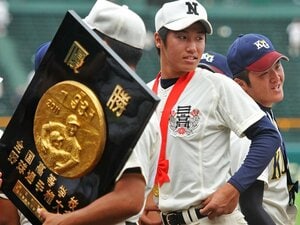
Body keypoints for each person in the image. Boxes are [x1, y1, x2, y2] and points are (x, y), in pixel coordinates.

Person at [0, 1, 161, 225]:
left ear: (102, 44)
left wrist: (66, 221)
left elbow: (130, 199)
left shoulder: (128, 111)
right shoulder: (96, 100)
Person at [141, 1, 282, 225]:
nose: (193, 47)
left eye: (199, 37)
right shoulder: (146, 93)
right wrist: (147, 199)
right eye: (182, 37)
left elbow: (268, 135)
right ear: (158, 39)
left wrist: (234, 187)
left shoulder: (217, 85)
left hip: (211, 219)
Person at [227, 33, 298, 225]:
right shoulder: (246, 133)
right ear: (240, 85)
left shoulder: (261, 113)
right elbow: (250, 206)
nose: (276, 77)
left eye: (277, 66)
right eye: (264, 73)